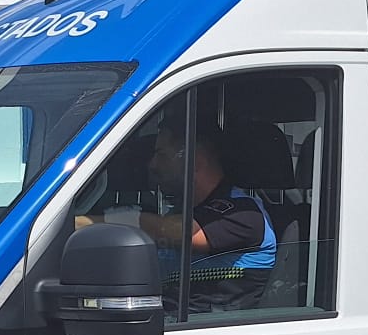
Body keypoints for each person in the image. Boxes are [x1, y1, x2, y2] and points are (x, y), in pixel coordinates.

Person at [83, 116, 276, 314]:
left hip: (212, 333)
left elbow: (175, 231)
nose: (152, 165)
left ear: (194, 161)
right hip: (170, 327)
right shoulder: (183, 212)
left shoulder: (244, 213)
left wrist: (85, 225)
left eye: (161, 155)